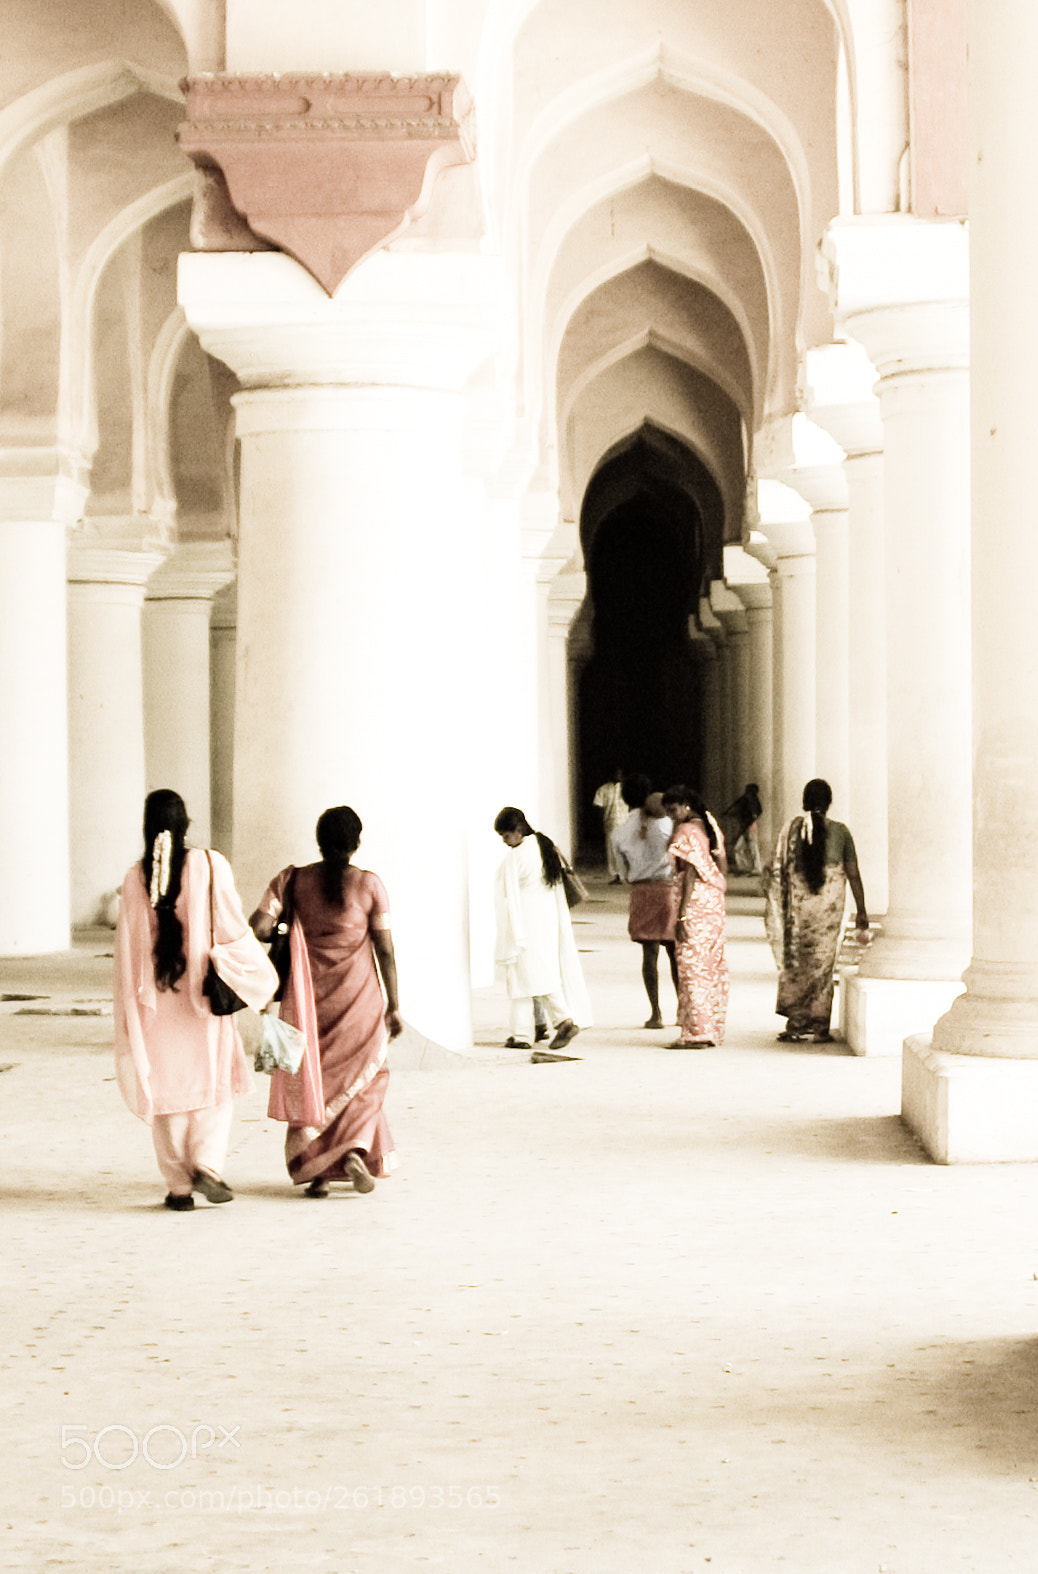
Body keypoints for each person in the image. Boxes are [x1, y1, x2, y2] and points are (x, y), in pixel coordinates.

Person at [113, 789, 278, 1211]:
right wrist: (258, 974)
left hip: (157, 1003)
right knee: (212, 1083)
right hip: (201, 998)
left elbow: (130, 952)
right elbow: (232, 927)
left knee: (167, 1090)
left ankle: (179, 1188)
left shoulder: (134, 878)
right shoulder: (209, 864)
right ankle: (206, 1164)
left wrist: (134, 1007)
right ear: (186, 825)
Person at [250, 806, 402, 1197]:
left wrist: (289, 926)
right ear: (357, 842)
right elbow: (385, 950)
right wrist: (395, 1004)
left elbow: (259, 926)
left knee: (311, 1080)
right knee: (367, 1079)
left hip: (305, 1004)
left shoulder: (293, 880)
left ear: (319, 840)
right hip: (360, 1002)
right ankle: (353, 1150)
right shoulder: (370, 886)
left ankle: (317, 1172)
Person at [764, 778, 869, 1043]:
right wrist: (862, 911)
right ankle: (820, 1025)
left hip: (800, 910)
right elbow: (853, 874)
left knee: (798, 962)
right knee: (823, 964)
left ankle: (797, 1022)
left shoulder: (793, 832)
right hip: (828, 911)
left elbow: (776, 872)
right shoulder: (841, 832)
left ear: (805, 802)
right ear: (829, 802)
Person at [493, 807, 592, 1051]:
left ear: (517, 830)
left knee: (522, 980)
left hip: (524, 925)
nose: (505, 842)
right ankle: (523, 1034)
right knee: (539, 976)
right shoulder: (543, 845)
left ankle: (561, 1021)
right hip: (547, 922)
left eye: (505, 836)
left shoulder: (516, 857)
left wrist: (512, 932)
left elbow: (506, 895)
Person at [661, 785, 729, 1049]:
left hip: (695, 904)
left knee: (691, 969)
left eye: (674, 810)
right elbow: (722, 867)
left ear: (686, 806)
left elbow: (689, 872)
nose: (672, 816)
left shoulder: (686, 831)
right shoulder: (710, 824)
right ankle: (709, 1027)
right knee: (710, 966)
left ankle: (697, 1033)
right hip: (713, 902)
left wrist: (682, 916)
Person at [611, 775, 679, 1029]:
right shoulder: (667, 826)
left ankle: (655, 1013)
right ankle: (682, 1008)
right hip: (668, 890)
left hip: (642, 891)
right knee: (674, 952)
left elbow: (622, 872)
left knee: (649, 955)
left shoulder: (618, 834)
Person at [593, 767, 628, 882]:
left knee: (626, 849)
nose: (617, 776)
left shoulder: (626, 788)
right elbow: (599, 807)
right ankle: (617, 875)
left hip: (625, 823)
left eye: (619, 774)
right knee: (613, 851)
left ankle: (628, 874)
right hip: (610, 823)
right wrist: (601, 823)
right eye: (615, 774)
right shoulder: (603, 790)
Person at [722, 782, 764, 875]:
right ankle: (745, 867)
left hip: (749, 827)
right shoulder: (746, 800)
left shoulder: (751, 800)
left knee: (752, 848)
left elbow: (754, 812)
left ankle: (756, 868)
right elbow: (735, 807)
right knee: (739, 848)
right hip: (746, 827)